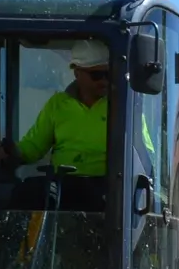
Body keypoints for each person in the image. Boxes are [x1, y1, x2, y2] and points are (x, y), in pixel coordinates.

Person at [6, 39, 110, 183]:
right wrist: (10, 152)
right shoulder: (58, 104)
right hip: (63, 185)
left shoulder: (121, 105)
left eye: (108, 74)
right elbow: (35, 146)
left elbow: (140, 148)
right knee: (23, 194)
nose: (104, 81)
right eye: (97, 75)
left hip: (106, 188)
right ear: (77, 72)